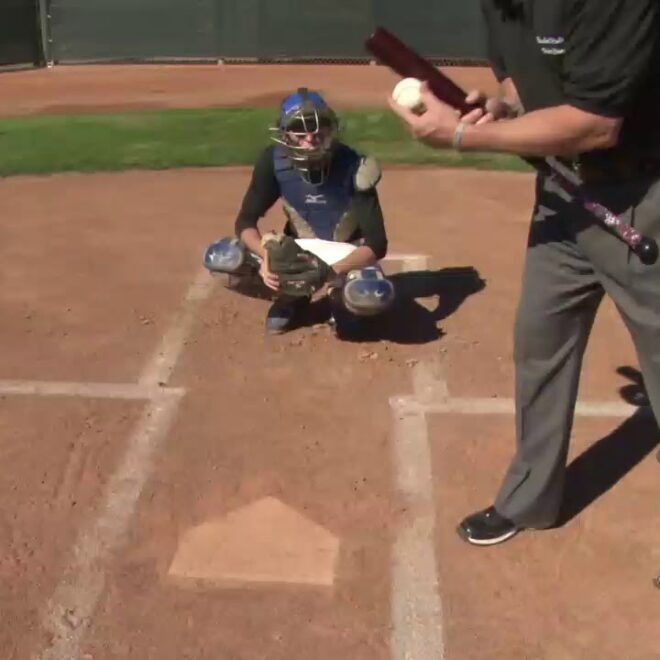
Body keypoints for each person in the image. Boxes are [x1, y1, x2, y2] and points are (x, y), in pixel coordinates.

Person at [388, 0, 660, 545]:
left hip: (642, 197)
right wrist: (502, 105)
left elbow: (597, 125)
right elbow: (522, 81)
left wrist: (463, 138)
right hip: (563, 199)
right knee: (541, 344)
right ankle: (529, 500)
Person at [204, 87, 394, 334]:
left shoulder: (355, 165)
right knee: (222, 260)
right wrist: (266, 258)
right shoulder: (272, 162)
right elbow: (245, 222)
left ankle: (339, 297)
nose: (310, 137)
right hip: (299, 252)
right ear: (285, 133)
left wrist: (328, 272)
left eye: (318, 126)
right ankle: (291, 298)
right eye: (299, 128)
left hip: (346, 254)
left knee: (368, 296)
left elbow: (377, 243)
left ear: (331, 128)